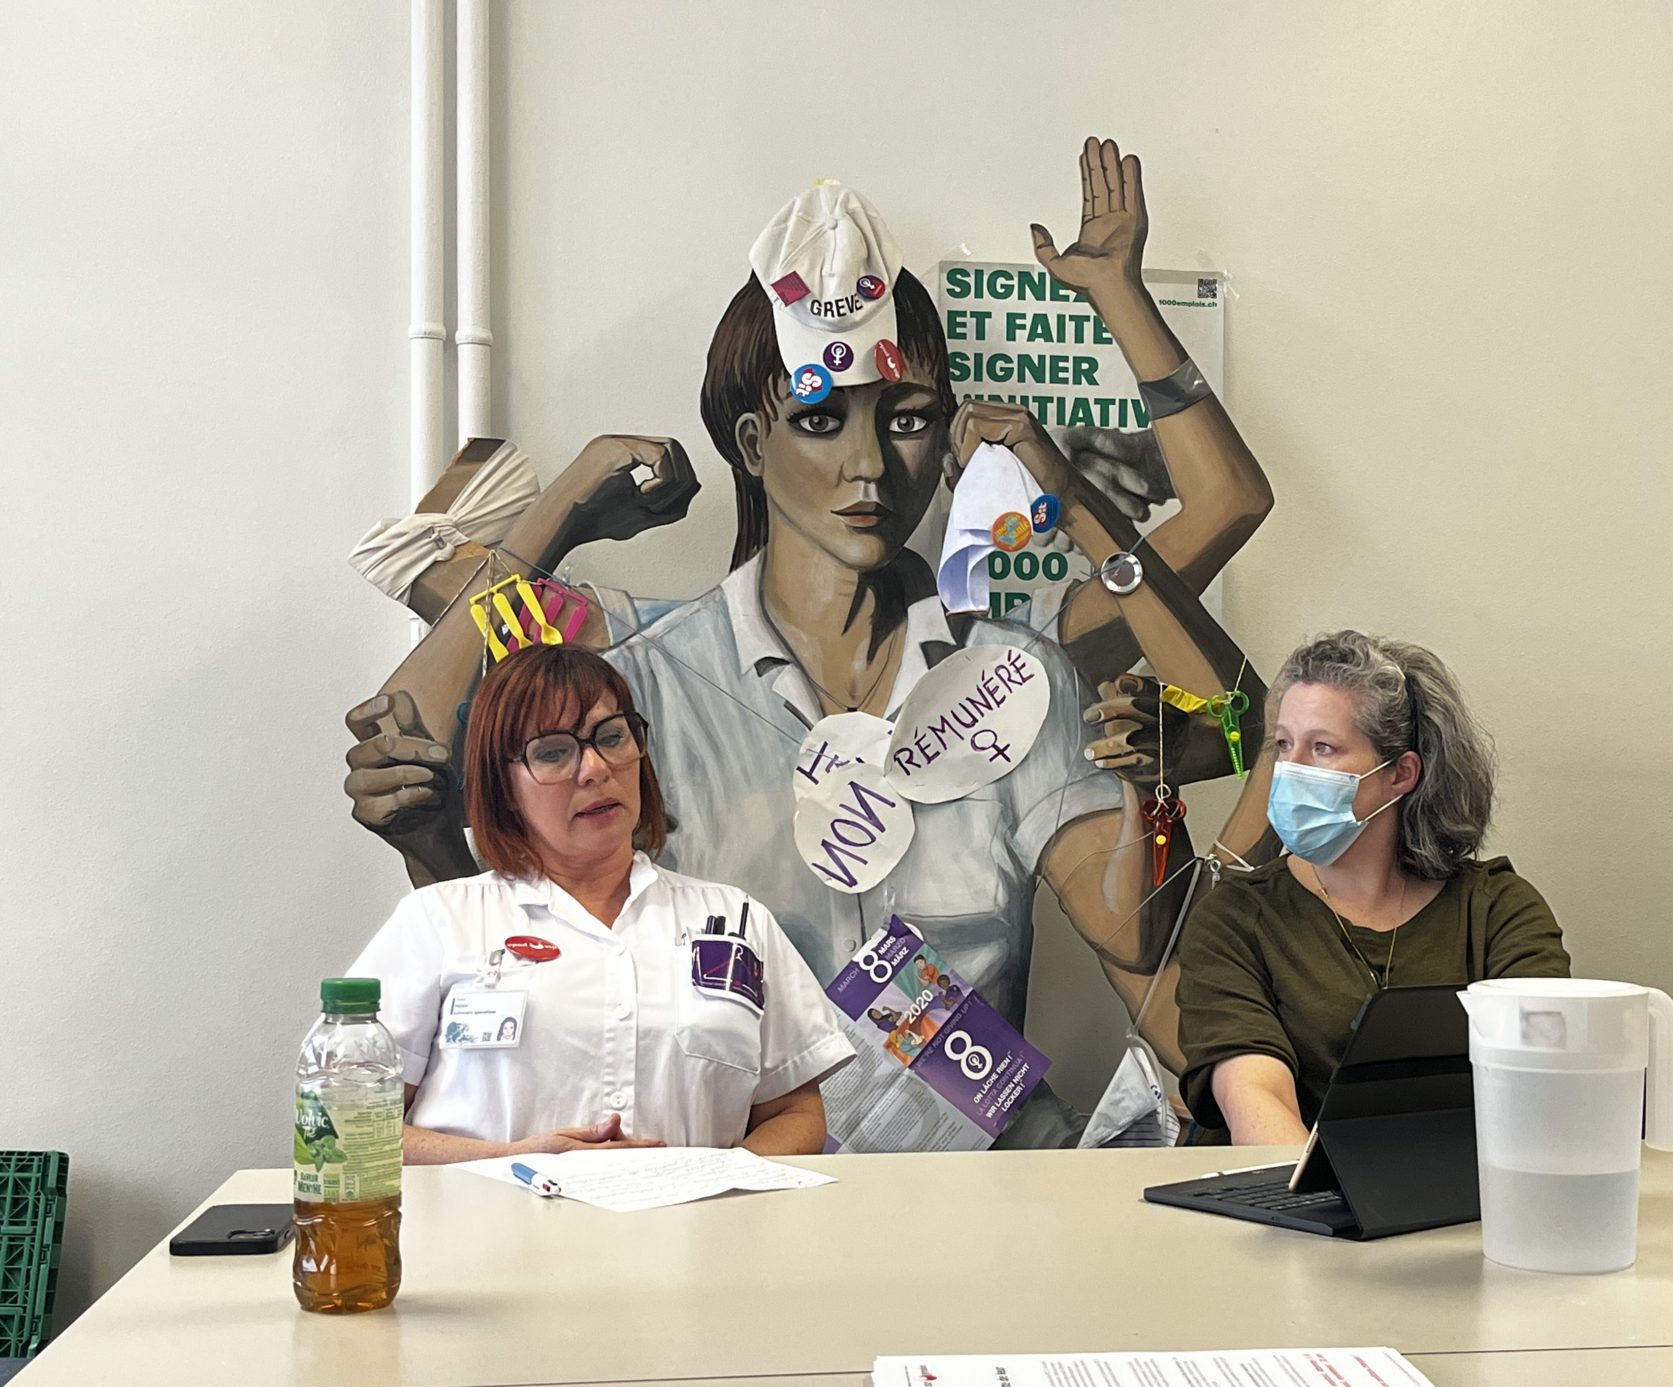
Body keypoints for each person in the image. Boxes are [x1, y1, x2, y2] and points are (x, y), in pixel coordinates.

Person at [343, 141, 1269, 1141]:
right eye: (821, 421)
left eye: (906, 419)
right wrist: (565, 503)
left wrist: (1116, 306)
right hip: (739, 1183)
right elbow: (407, 730)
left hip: (978, 1186)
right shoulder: (639, 671)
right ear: (753, 443)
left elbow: (1143, 954)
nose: (868, 464)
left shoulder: (1010, 677)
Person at [1174, 630, 1673, 1146]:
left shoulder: (1497, 908)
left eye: (1322, 748)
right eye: (1283, 745)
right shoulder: (1235, 917)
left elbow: (1543, 1080)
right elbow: (1255, 1095)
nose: (1289, 768)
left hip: (1478, 1169)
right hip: (1300, 1186)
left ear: (1401, 774)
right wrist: (1318, 1207)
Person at [342, 645, 854, 1162]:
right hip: (493, 1214)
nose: (594, 768)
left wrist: (710, 1178)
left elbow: (796, 1115)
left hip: (689, 1217)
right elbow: (346, 1123)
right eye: (552, 752)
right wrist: (515, 1160)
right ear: (503, 786)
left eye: (611, 738)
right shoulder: (440, 920)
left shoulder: (737, 921)